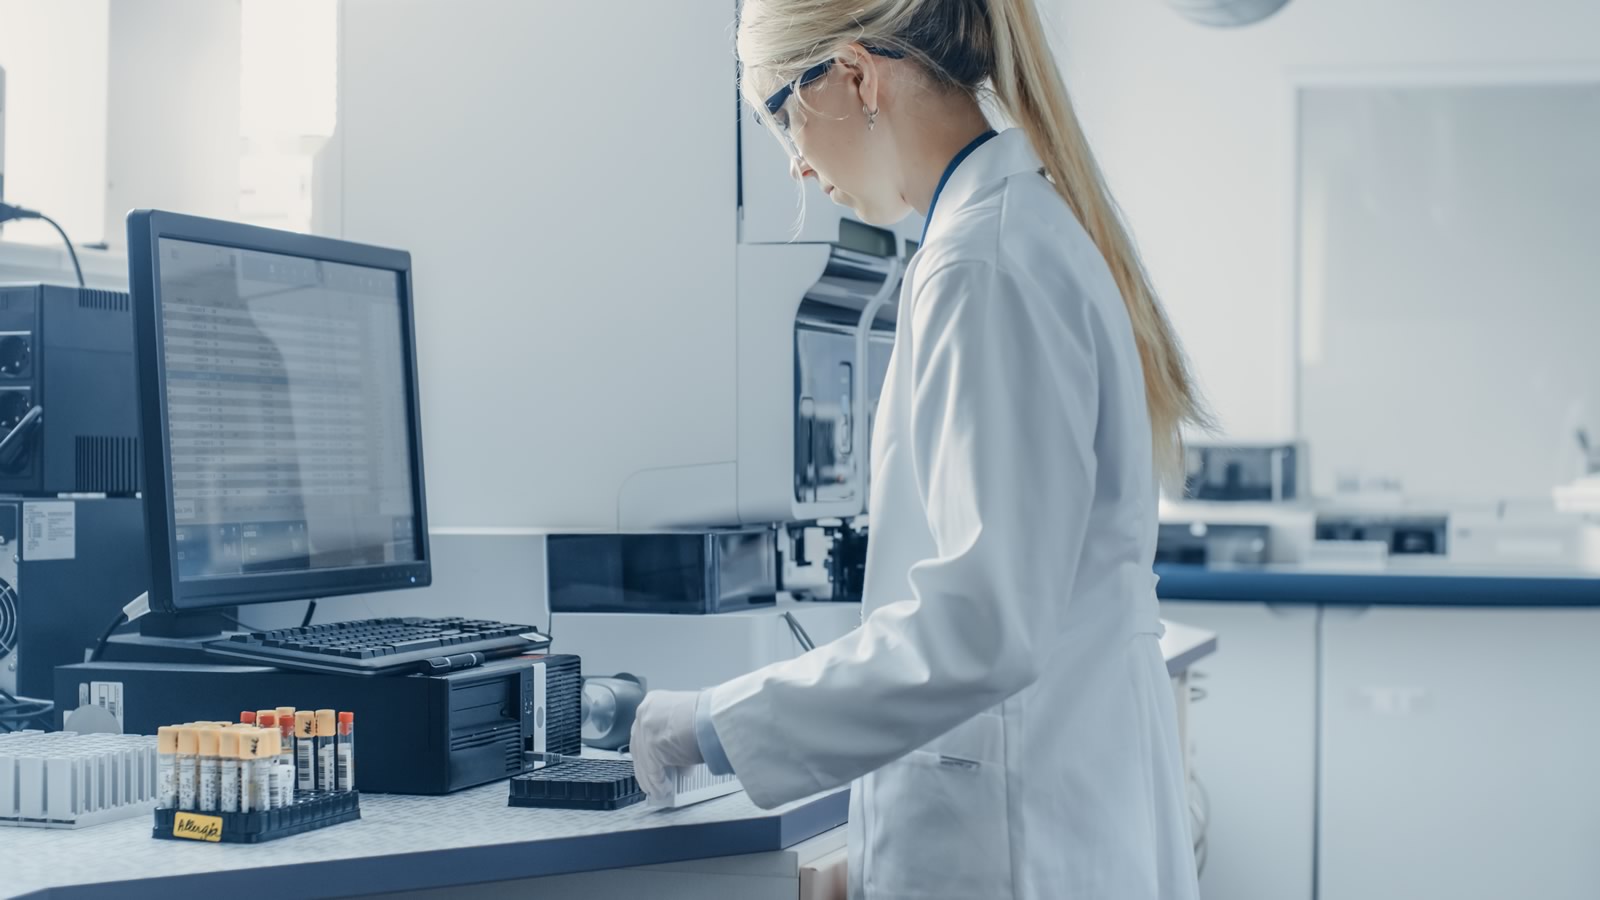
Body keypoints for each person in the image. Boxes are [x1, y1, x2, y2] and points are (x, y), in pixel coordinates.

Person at [630, 0, 1210, 896]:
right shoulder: (1011, 230)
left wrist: (706, 724)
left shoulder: (983, 262)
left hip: (1028, 849)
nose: (795, 161)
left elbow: (979, 626)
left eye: (780, 115)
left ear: (856, 76)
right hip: (1053, 825)